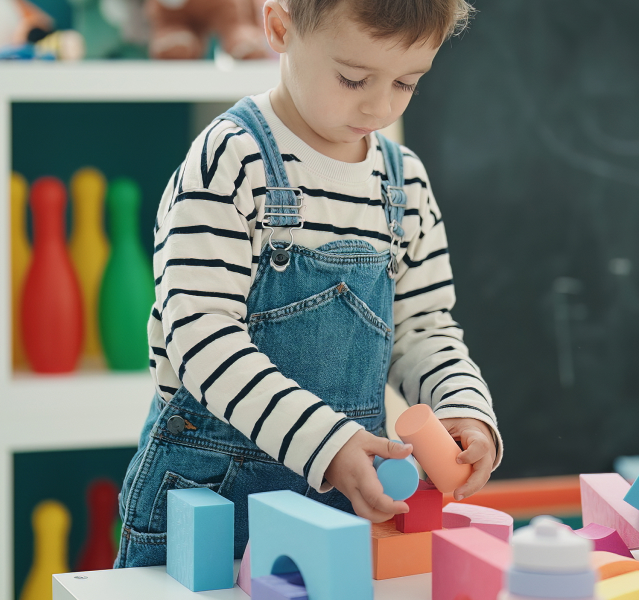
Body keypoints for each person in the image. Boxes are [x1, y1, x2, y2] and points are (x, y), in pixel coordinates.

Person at [115, 0, 502, 567]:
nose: (379, 104)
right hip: (214, 498)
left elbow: (423, 329)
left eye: (406, 82)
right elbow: (200, 338)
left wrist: (462, 407)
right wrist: (326, 442)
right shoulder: (230, 160)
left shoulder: (405, 185)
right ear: (279, 26)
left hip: (339, 506)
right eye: (353, 77)